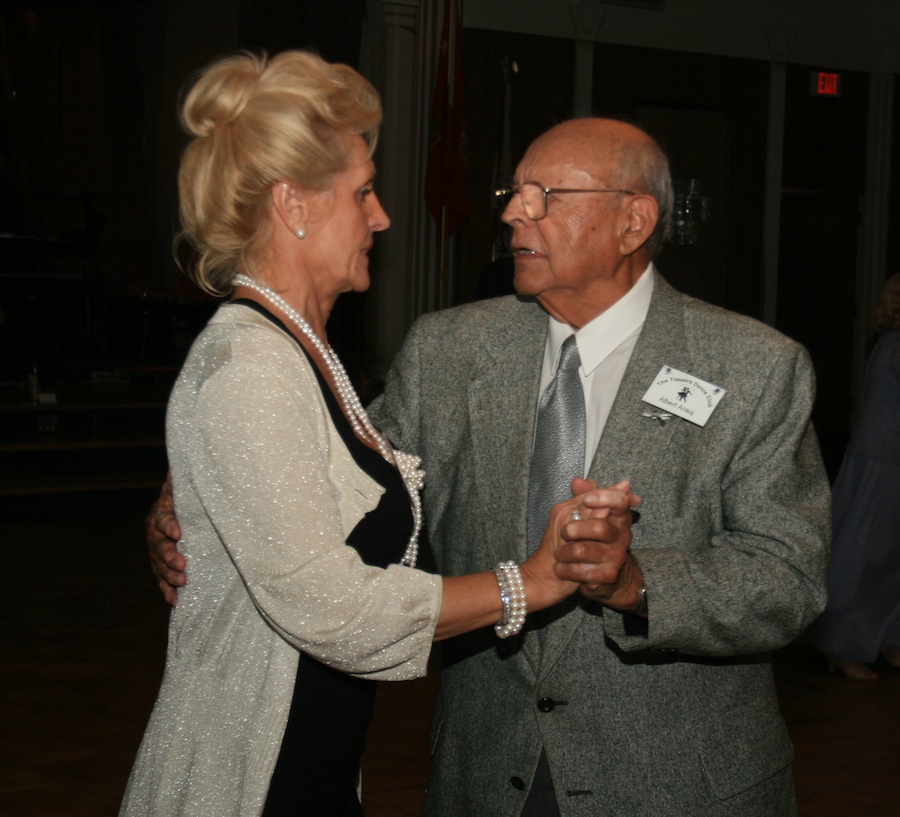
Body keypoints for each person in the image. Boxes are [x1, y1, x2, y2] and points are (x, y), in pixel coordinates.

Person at [149, 116, 831, 816]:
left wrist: (638, 582)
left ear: (632, 221)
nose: (512, 212)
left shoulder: (754, 367)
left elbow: (789, 576)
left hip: (677, 785)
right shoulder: (449, 350)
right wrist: (190, 498)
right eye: (514, 191)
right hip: (484, 774)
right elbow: (332, 474)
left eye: (544, 195)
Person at [121, 52, 637, 817]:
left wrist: (190, 495)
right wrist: (529, 582)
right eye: (363, 192)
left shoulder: (301, 352)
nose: (383, 216)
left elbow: (310, 480)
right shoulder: (252, 366)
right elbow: (336, 611)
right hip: (249, 782)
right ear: (294, 204)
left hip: (310, 768)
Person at [807, 273, 900, 680]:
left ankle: (886, 638)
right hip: (882, 460)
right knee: (864, 555)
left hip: (889, 457)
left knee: (890, 558)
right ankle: (842, 644)